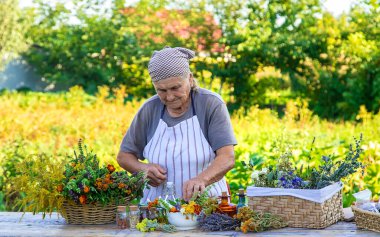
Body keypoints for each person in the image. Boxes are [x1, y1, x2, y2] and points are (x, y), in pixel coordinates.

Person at [117, 46, 237, 203]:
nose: (170, 96)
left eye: (175, 87)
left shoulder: (210, 104)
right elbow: (124, 156)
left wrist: (202, 180)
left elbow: (227, 157)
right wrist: (143, 169)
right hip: (157, 211)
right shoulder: (149, 109)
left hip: (209, 208)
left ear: (190, 78)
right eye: (161, 90)